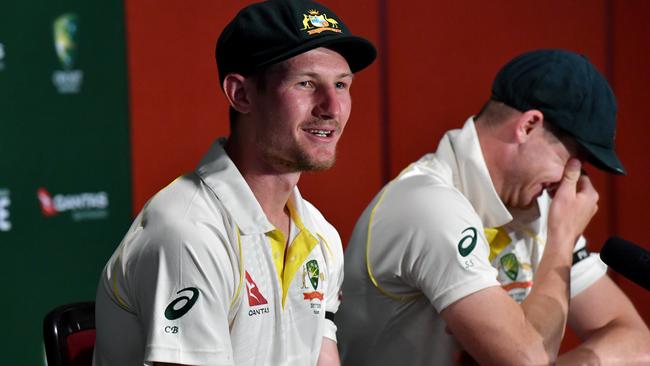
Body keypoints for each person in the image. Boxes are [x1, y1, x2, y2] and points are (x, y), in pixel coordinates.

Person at [93, 1, 375, 365]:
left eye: (341, 84)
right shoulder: (188, 233)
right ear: (241, 94)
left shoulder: (320, 236)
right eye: (306, 83)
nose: (332, 107)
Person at [336, 49, 650, 365]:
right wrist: (563, 238)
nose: (573, 180)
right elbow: (527, 360)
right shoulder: (428, 205)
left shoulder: (537, 207)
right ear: (528, 126)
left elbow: (638, 343)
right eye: (573, 160)